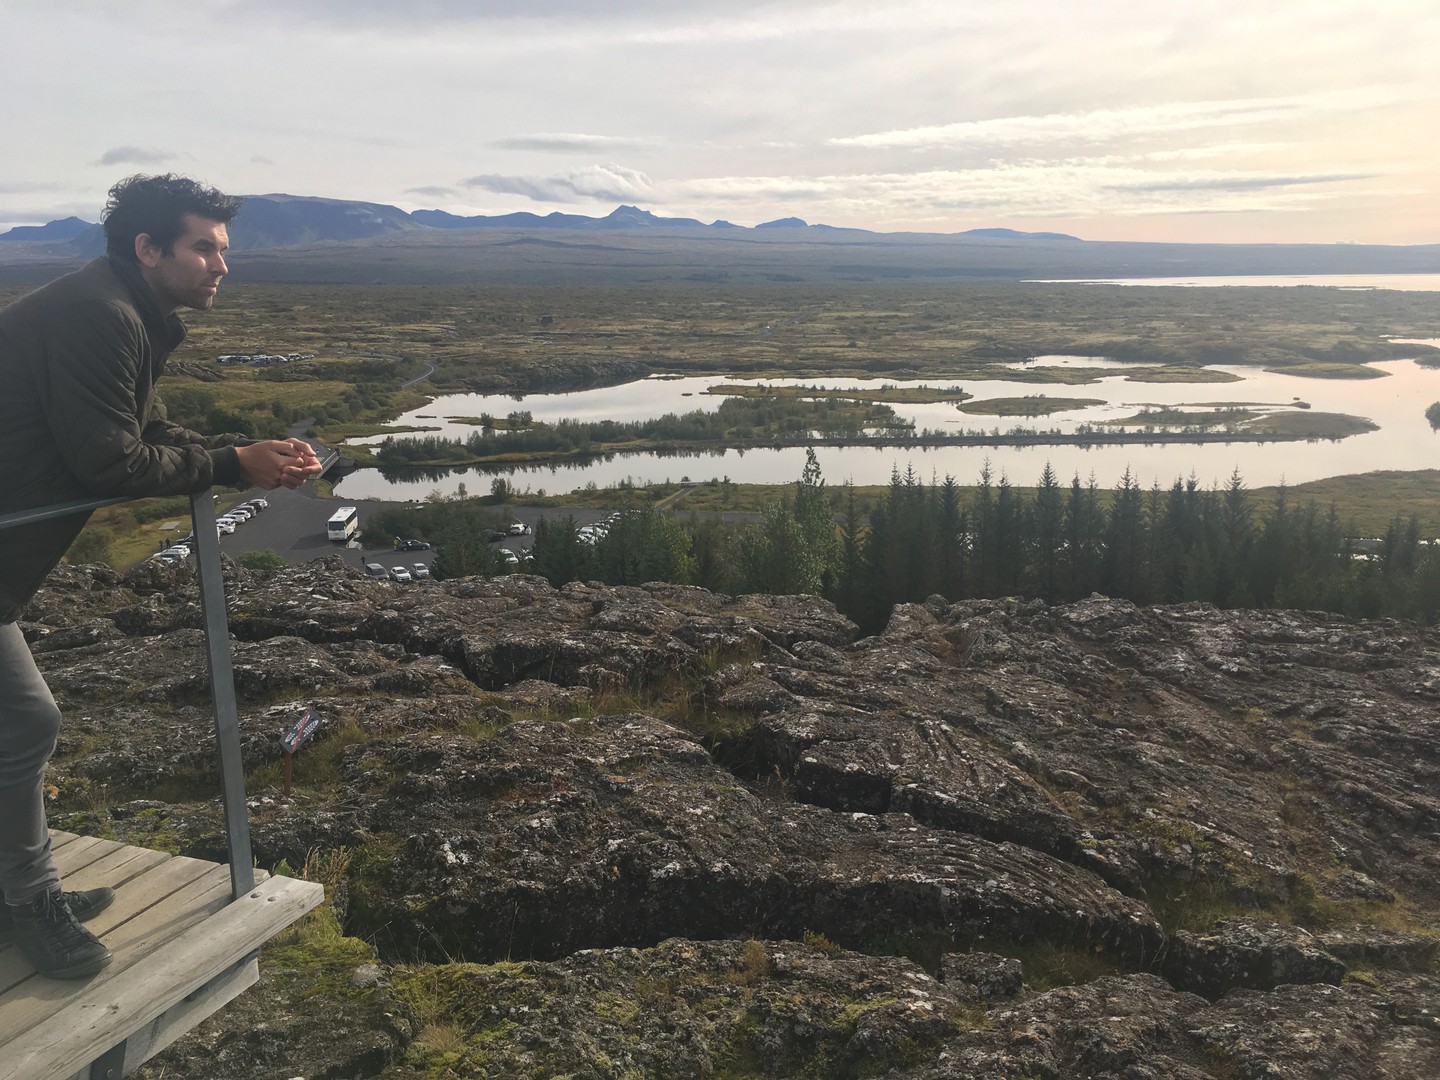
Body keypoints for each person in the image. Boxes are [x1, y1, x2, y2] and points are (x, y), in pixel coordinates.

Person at [0, 174, 322, 979]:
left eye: (223, 250)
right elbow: (109, 461)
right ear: (148, 249)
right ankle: (26, 900)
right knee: (25, 723)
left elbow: (134, 427)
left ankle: (19, 887)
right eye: (203, 248)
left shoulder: (117, 309)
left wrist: (246, 457)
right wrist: (228, 462)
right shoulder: (97, 315)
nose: (221, 266)